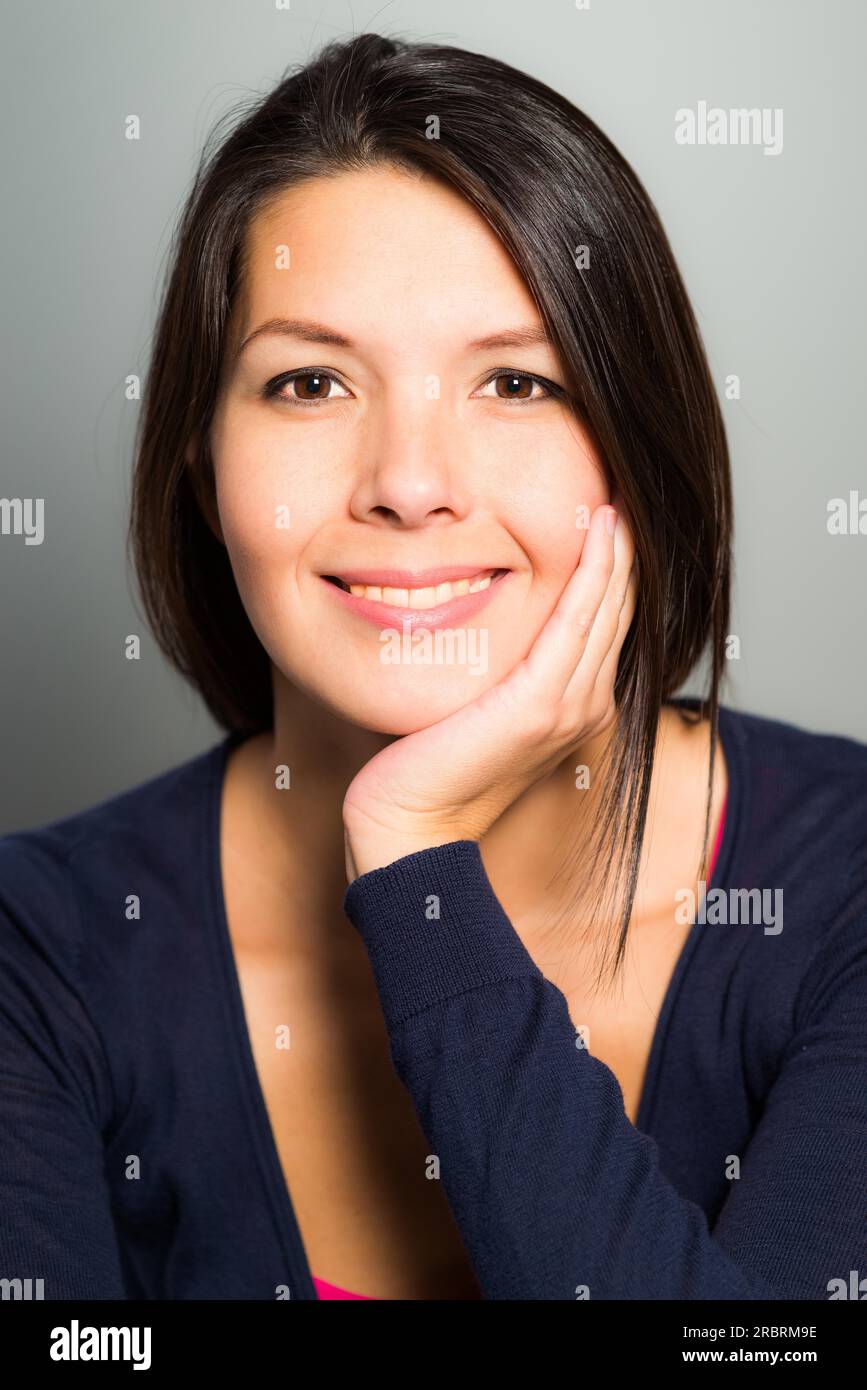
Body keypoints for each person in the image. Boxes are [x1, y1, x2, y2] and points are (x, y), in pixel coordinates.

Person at [1, 32, 864, 1302]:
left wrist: (416, 868)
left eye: (516, 382)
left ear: (640, 442)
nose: (409, 483)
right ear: (202, 460)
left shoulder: (841, 890)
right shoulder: (37, 951)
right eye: (308, 382)